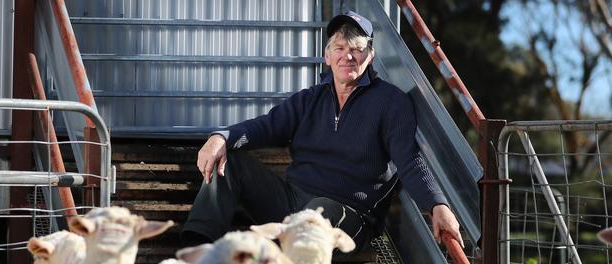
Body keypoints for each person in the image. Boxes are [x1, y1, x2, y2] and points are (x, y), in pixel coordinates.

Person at [180, 10, 463, 250]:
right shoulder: (309, 99)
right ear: (327, 56)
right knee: (232, 162)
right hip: (292, 203)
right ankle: (195, 250)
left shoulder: (391, 102)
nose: (348, 56)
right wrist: (222, 137)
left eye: (357, 49)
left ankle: (277, 260)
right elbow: (266, 126)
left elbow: (409, 159)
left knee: (320, 210)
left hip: (347, 216)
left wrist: (438, 204)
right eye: (340, 48)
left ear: (370, 56)